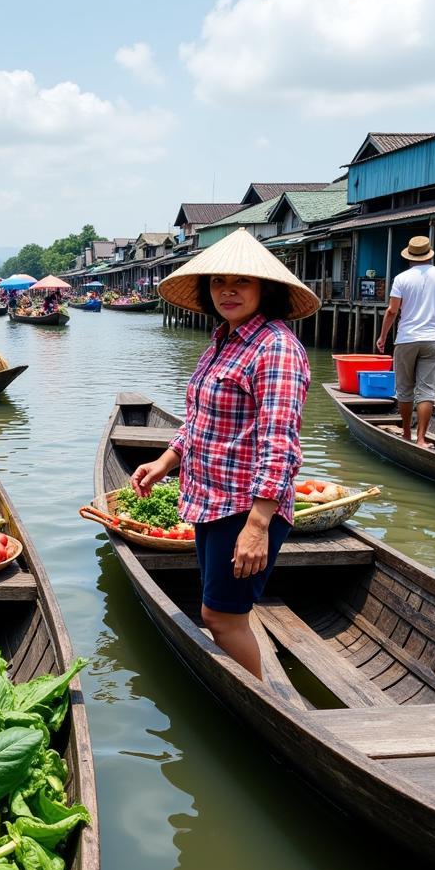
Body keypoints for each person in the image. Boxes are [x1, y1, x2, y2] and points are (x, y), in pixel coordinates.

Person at [129, 229, 317, 679]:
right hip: (212, 501)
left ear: (264, 289)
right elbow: (200, 421)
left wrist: (257, 525)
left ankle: (265, 707)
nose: (227, 291)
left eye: (241, 282)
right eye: (218, 282)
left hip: (245, 506)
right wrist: (166, 461)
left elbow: (280, 441)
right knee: (221, 613)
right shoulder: (224, 341)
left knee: (221, 618)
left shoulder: (275, 347)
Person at [376, 236, 435, 448]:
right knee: (427, 391)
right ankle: (422, 439)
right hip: (432, 339)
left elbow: (392, 311)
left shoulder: (401, 278)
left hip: (406, 339)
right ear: (429, 254)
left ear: (410, 257)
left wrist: (383, 336)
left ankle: (407, 434)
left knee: (405, 390)